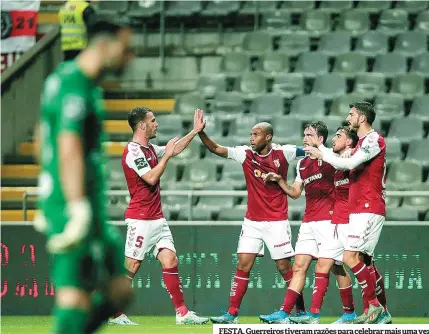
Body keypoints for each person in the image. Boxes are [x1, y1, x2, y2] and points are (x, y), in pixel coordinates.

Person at [34, 20, 135, 333]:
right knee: (74, 299)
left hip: (86, 205)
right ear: (103, 46)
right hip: (74, 206)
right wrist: (73, 203)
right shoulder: (74, 83)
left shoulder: (75, 83)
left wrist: (47, 180)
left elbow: (40, 135)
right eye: (126, 49)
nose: (130, 58)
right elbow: (68, 146)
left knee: (121, 291)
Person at [197, 115, 306, 324]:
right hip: (252, 222)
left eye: (256, 135)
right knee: (242, 264)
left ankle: (300, 313)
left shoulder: (285, 152)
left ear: (268, 137)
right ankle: (232, 314)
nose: (251, 138)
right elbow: (217, 149)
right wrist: (202, 132)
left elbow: (310, 152)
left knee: (285, 268)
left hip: (276, 222)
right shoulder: (245, 154)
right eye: (251, 135)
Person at [110, 107, 209, 325]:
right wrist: (166, 158)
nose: (157, 124)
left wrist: (194, 132)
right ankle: (116, 313)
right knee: (132, 266)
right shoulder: (133, 152)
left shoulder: (150, 149)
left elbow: (174, 149)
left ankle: (182, 313)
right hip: (141, 218)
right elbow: (151, 177)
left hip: (157, 218)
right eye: (153, 120)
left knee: (170, 259)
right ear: (142, 125)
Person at [259, 121, 355, 324]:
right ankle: (285, 313)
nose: (305, 139)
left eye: (309, 135)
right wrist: (279, 180)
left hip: (330, 221)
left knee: (332, 266)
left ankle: (330, 314)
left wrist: (348, 151)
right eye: (304, 134)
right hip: (308, 222)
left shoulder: (332, 157)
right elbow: (295, 192)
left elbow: (349, 158)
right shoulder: (302, 164)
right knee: (299, 266)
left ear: (320, 139)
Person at [304, 102, 388, 324]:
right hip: (358, 208)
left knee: (352, 258)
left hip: (369, 207)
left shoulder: (373, 140)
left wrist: (320, 150)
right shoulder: (362, 142)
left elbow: (347, 163)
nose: (348, 116)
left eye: (351, 114)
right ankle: (380, 311)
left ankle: (375, 306)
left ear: (362, 118)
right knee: (365, 261)